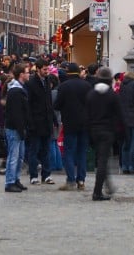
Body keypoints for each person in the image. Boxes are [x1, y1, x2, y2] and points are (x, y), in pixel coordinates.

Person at [86, 67, 123, 201]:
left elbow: (87, 114)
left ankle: (107, 185)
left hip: (94, 130)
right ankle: (97, 192)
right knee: (102, 160)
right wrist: (121, 132)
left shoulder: (91, 94)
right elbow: (119, 115)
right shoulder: (112, 95)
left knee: (102, 159)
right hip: (107, 131)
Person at [54, 62, 91, 191]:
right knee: (82, 152)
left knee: (69, 151)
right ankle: (81, 180)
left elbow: (57, 105)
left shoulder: (64, 86)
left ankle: (70, 179)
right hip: (85, 123)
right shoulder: (87, 86)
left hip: (70, 123)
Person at [26, 59, 57, 185]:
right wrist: (30, 122)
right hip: (36, 122)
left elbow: (49, 102)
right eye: (44, 69)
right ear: (38, 69)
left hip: (47, 121)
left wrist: (53, 118)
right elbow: (28, 104)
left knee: (46, 150)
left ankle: (46, 174)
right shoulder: (31, 83)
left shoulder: (48, 80)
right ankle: (33, 175)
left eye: (48, 69)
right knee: (34, 150)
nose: (47, 71)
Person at [4, 64, 31, 193]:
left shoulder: (19, 89)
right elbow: (16, 113)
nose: (29, 74)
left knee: (19, 156)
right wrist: (21, 128)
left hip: (18, 127)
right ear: (21, 75)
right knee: (13, 156)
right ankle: (10, 182)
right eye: (27, 72)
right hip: (14, 128)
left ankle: (16, 179)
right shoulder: (15, 91)